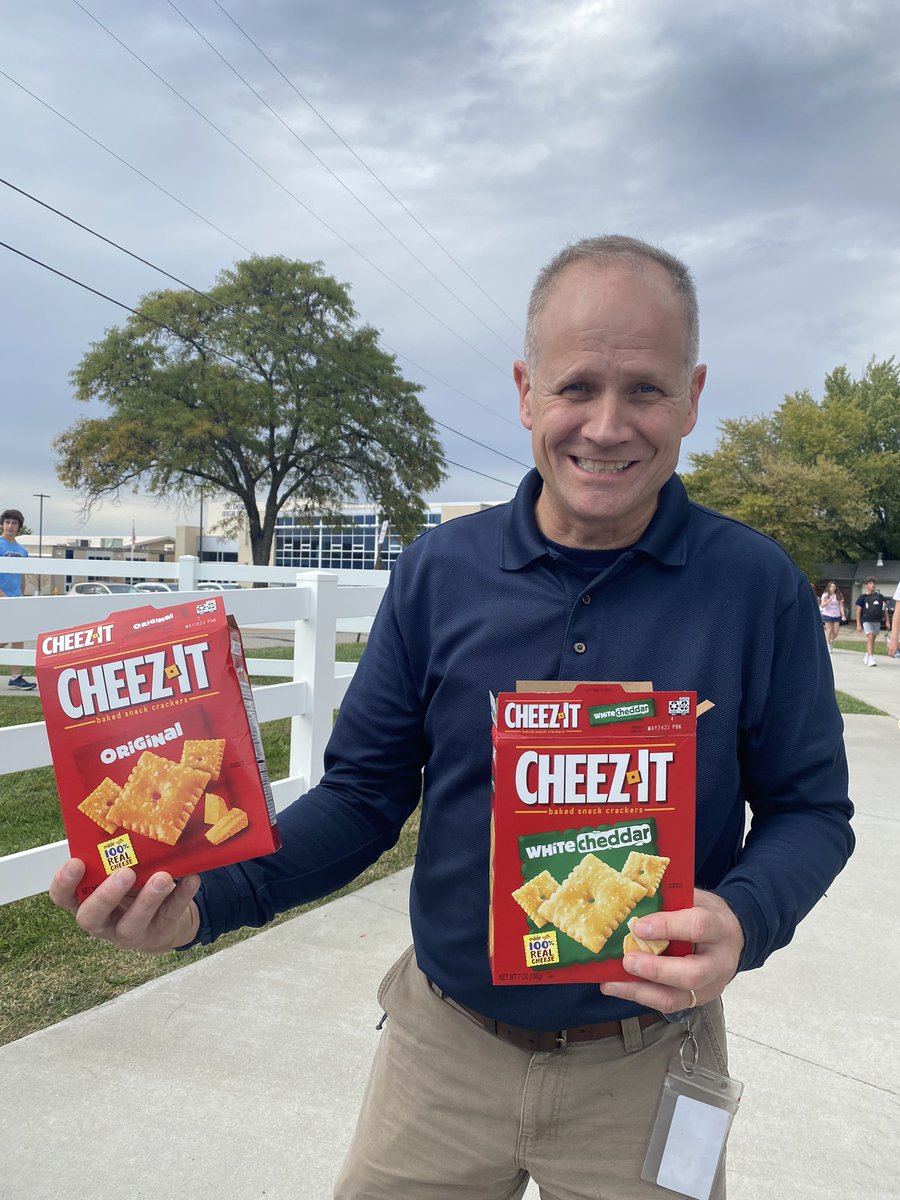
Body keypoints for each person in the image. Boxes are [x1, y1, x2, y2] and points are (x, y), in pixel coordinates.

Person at [49, 236, 854, 1200]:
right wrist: (202, 905)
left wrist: (745, 913)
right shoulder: (439, 572)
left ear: (692, 395)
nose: (605, 425)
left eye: (645, 389)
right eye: (575, 386)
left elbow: (813, 811)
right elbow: (361, 798)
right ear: (525, 391)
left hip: (646, 1063)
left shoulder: (755, 587)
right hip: (442, 1051)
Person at [0, 507, 37, 690]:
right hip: (1, 597)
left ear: (19, 526)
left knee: (18, 635)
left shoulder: (22, 550)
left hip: (15, 598)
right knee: (5, 637)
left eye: (14, 523)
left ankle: (16, 676)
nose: (10, 526)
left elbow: (21, 576)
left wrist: (21, 595)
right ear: (2, 524)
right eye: (7, 522)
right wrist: (2, 595)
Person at [855, 576, 886, 667]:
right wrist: (858, 624)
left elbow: (885, 609)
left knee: (872, 640)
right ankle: (871, 659)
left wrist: (887, 621)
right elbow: (858, 611)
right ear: (866, 585)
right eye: (870, 583)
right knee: (870, 637)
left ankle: (867, 655)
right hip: (866, 620)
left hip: (877, 620)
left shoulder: (879, 597)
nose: (873, 585)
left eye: (873, 583)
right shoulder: (862, 597)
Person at [819, 579, 845, 652]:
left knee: (836, 632)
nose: (833, 588)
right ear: (829, 587)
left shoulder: (839, 595)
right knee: (829, 630)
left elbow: (841, 606)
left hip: (836, 615)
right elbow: (822, 605)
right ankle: (828, 645)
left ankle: (831, 640)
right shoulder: (825, 595)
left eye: (834, 586)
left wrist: (843, 615)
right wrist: (828, 601)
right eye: (831, 586)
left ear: (836, 587)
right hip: (827, 614)